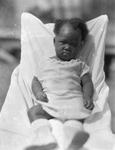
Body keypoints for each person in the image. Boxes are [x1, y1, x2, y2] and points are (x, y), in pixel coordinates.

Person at [27, 18, 95, 150]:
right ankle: (44, 138)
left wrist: (87, 96)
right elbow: (35, 80)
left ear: (80, 45)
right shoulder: (45, 63)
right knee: (33, 111)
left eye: (73, 44)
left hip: (73, 101)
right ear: (54, 41)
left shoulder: (79, 64)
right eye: (63, 42)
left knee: (76, 119)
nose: (67, 47)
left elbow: (87, 82)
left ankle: (73, 141)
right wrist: (38, 92)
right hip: (50, 101)